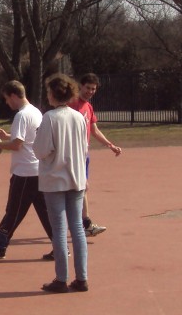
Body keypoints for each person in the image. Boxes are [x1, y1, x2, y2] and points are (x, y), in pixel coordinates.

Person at [0, 80, 54, 260]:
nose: (6, 103)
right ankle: (60, 247)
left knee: (13, 211)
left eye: (6, 99)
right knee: (45, 212)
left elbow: (17, 145)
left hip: (25, 173)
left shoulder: (21, 115)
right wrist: (8, 136)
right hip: (38, 170)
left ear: (13, 95)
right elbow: (28, 138)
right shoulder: (35, 111)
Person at [33, 74, 89, 293]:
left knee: (59, 229)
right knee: (77, 228)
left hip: (55, 179)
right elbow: (84, 148)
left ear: (54, 94)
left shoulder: (50, 118)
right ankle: (82, 277)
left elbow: (41, 150)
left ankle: (61, 278)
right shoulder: (77, 117)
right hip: (76, 177)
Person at [68, 73, 121, 236]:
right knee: (80, 188)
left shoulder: (88, 107)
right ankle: (84, 223)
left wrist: (110, 144)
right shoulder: (71, 104)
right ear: (80, 86)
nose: (90, 91)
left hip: (84, 154)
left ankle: (82, 223)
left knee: (81, 189)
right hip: (72, 154)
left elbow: (94, 130)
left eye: (93, 89)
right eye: (88, 88)